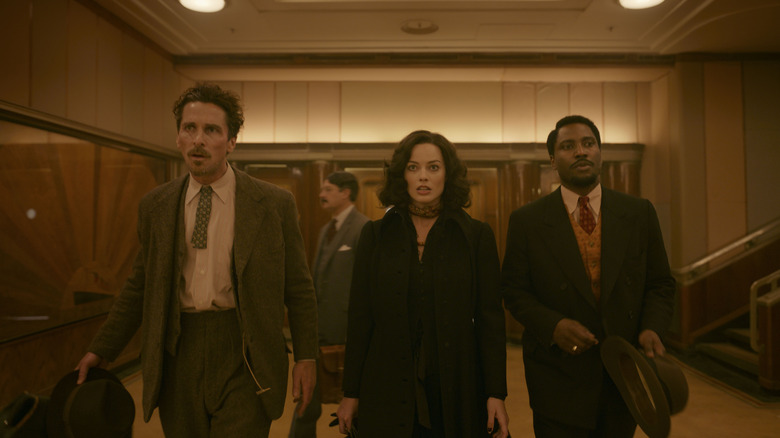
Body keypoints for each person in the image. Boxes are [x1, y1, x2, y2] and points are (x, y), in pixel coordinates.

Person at [74, 83, 318, 437]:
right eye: (190, 128)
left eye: (211, 130)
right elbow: (140, 284)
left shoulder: (273, 204)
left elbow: (298, 287)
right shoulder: (156, 206)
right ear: (178, 137)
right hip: (178, 352)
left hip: (245, 352)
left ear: (231, 141)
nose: (198, 140)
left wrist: (306, 356)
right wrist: (102, 348)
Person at [501, 115, 676, 437]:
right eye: (568, 146)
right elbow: (514, 290)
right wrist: (552, 326)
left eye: (588, 143)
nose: (580, 152)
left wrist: (653, 327)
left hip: (623, 372)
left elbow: (660, 283)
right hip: (557, 375)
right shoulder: (527, 221)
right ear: (553, 160)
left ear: (600, 152)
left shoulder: (638, 213)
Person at [336, 130, 509, 438]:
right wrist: (351, 392)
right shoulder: (375, 235)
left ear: (448, 174)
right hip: (385, 378)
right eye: (413, 167)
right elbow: (361, 319)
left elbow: (490, 321)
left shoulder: (476, 236)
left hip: (456, 379)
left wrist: (496, 393)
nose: (423, 177)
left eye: (433, 167)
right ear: (402, 175)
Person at [289, 171, 369, 437]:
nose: (321, 194)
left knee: (356, 409)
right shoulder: (326, 229)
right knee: (305, 404)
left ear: (345, 193)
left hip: (349, 336)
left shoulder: (363, 228)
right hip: (319, 336)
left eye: (328, 189)